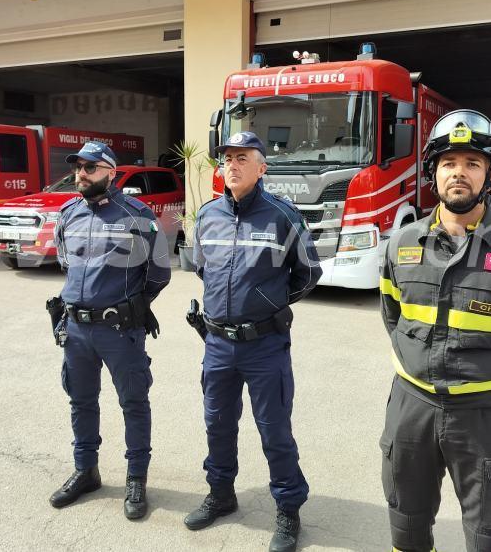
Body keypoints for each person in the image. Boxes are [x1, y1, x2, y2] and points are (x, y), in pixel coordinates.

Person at [379, 110, 491, 552]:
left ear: (490, 174)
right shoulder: (402, 244)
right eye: (447, 163)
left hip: (486, 414)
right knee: (406, 522)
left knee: (489, 534)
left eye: (472, 163)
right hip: (412, 406)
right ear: (433, 174)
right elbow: (393, 315)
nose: (458, 173)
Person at [185, 131, 321, 552]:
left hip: (265, 345)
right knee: (217, 425)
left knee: (274, 430)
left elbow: (308, 273)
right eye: (227, 158)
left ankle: (288, 508)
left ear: (262, 168)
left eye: (243, 158)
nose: (233, 165)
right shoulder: (208, 215)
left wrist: (269, 304)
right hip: (218, 344)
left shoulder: (282, 216)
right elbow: (200, 267)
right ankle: (221, 494)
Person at [48, 141, 170, 519]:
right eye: (78, 168)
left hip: (119, 330)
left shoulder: (138, 215)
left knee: (133, 403)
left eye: (89, 168)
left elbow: (160, 273)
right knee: (81, 401)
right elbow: (66, 260)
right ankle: (86, 470)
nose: (80, 175)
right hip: (77, 331)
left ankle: (136, 477)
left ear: (110, 173)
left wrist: (131, 305)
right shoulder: (68, 213)